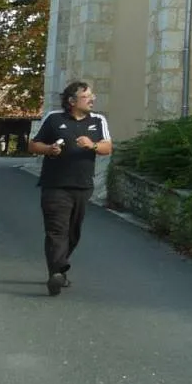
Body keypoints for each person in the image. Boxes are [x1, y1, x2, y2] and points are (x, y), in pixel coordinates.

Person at [27, 81, 112, 296]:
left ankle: (59, 267)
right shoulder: (54, 119)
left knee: (73, 233)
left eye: (93, 96)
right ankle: (56, 273)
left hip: (82, 186)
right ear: (72, 101)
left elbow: (107, 147)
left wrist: (91, 145)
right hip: (54, 185)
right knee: (56, 230)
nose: (92, 99)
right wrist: (49, 149)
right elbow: (33, 145)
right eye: (87, 96)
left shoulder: (98, 120)